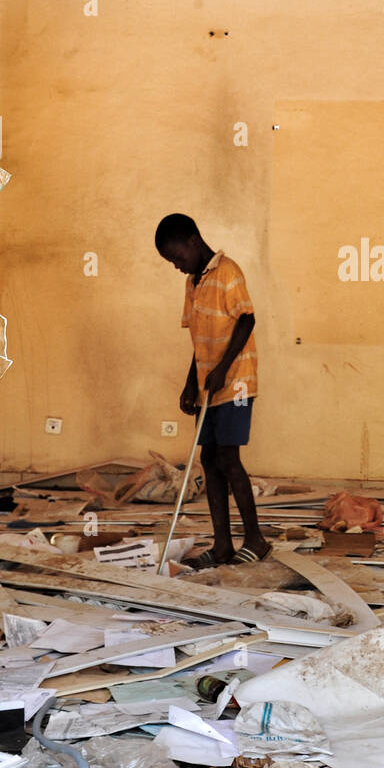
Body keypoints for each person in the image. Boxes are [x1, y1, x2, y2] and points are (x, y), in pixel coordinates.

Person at [155, 213, 269, 569]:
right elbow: (199, 340)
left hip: (234, 382)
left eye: (177, 257)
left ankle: (255, 539)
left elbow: (247, 319)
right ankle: (222, 545)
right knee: (208, 459)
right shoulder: (193, 282)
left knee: (228, 458)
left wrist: (222, 369)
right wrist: (192, 381)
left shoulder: (228, 272)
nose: (177, 266)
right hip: (209, 385)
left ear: (192, 241)